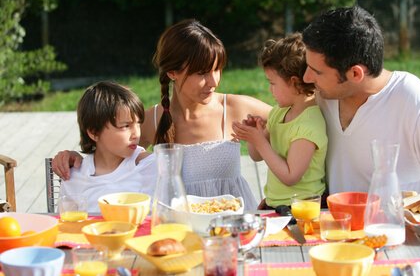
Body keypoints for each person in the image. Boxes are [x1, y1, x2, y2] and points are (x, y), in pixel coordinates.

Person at [52, 19, 272, 211]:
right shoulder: (150, 121)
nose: (214, 81)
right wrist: (76, 157)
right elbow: (109, 155)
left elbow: (296, 125)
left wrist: (277, 196)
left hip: (234, 225)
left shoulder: (236, 108)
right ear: (172, 72)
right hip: (178, 232)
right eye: (202, 72)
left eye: (217, 69)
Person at [301, 6, 420, 207]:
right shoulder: (325, 95)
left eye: (316, 72)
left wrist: (380, 196)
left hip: (400, 234)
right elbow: (280, 122)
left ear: (355, 74)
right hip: (333, 231)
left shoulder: (416, 102)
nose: (306, 78)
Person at [232, 33, 327, 209]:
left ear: (294, 82)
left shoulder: (309, 125)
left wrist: (260, 141)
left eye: (273, 83)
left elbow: (291, 176)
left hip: (302, 210)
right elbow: (257, 156)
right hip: (278, 205)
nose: (270, 89)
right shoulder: (279, 112)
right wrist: (256, 136)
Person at [59, 81, 156, 212]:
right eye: (125, 126)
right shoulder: (74, 178)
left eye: (138, 124)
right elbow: (67, 226)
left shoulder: (149, 166)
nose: (136, 134)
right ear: (94, 132)